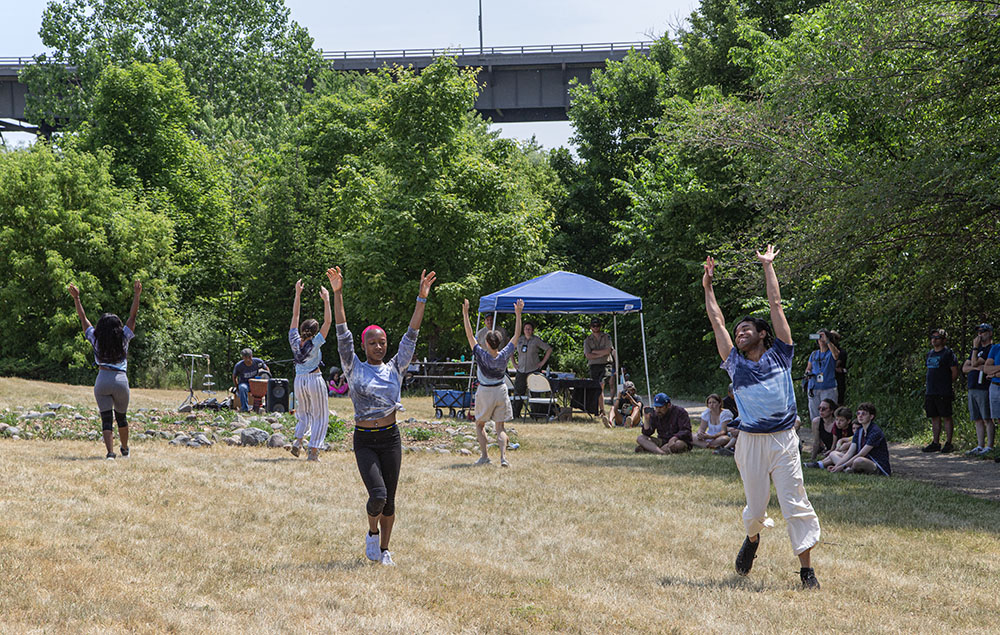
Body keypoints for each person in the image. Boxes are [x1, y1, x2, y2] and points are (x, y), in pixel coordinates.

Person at [703, 246, 821, 590]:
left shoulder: (781, 354)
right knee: (755, 509)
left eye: (746, 329)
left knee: (794, 503)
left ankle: (806, 571)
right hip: (750, 443)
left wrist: (768, 267)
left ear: (762, 334)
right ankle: (752, 539)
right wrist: (708, 287)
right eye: (737, 331)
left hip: (784, 440)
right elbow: (716, 320)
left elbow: (775, 305)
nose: (739, 332)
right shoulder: (734, 363)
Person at [327, 265, 436, 567]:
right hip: (365, 439)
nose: (379, 346)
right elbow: (341, 332)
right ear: (364, 346)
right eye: (373, 342)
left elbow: (412, 335)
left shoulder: (395, 368)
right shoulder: (353, 366)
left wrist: (421, 298)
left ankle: (385, 550)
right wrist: (338, 294)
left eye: (382, 342)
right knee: (377, 495)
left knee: (390, 500)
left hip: (390, 438)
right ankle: (371, 533)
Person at [68, 280, 142, 460]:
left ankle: (110, 453)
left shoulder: (95, 338)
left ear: (100, 327)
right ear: (117, 327)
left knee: (106, 418)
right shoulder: (123, 337)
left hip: (102, 380)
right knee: (122, 418)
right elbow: (132, 317)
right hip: (120, 380)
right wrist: (137, 295)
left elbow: (83, 320)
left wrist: (77, 298)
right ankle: (125, 450)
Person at [462, 297, 523, 467]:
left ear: (487, 343)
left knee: (480, 424)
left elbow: (469, 334)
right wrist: (518, 314)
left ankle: (484, 457)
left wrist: (466, 314)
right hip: (501, 390)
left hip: (485, 391)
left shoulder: (481, 355)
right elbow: (517, 335)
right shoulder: (504, 355)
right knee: (500, 428)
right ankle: (503, 458)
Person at [288, 279, 332, 461]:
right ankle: (313, 451)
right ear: (314, 331)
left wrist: (298, 294)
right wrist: (327, 300)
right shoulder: (316, 342)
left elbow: (295, 316)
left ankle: (298, 441)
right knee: (320, 415)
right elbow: (328, 321)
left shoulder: (293, 338)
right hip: (314, 379)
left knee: (303, 413)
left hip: (299, 380)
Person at [809, 403, 891, 476]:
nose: (860, 416)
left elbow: (861, 454)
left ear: (871, 416)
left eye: (864, 414)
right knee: (834, 454)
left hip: (875, 464)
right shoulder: (860, 430)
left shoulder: (875, 432)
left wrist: (842, 466)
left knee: (858, 460)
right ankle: (848, 470)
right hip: (859, 460)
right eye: (858, 413)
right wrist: (837, 466)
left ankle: (848, 469)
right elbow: (850, 453)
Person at [922, 328, 960, 453]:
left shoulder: (948, 353)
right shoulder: (930, 353)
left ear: (944, 340)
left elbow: (954, 372)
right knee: (934, 417)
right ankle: (935, 442)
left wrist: (947, 384)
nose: (934, 340)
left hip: (944, 391)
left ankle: (949, 443)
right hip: (931, 390)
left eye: (937, 337)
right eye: (932, 337)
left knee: (946, 416)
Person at [963, 324, 993, 456]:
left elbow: (973, 363)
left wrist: (975, 350)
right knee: (977, 418)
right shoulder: (977, 350)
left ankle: (989, 446)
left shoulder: (990, 349)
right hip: (972, 386)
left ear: (990, 333)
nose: (980, 334)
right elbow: (965, 368)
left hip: (983, 387)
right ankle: (980, 445)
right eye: (979, 332)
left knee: (987, 417)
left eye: (983, 331)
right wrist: (976, 366)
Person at [511, 321, 552, 419]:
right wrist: (514, 363)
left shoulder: (536, 340)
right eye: (526, 329)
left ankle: (536, 414)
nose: (527, 330)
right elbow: (510, 349)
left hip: (533, 369)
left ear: (532, 330)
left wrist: (542, 363)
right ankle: (515, 414)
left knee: (535, 392)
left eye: (529, 329)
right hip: (521, 370)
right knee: (518, 392)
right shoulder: (519, 340)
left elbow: (549, 349)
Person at [805, 329, 840, 421]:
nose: (821, 340)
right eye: (819, 337)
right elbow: (808, 368)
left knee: (829, 414)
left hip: (828, 387)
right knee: (815, 416)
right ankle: (817, 433)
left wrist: (827, 340)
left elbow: (836, 355)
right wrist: (808, 373)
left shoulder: (831, 352)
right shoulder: (814, 354)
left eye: (822, 337)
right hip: (814, 387)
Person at [584, 318, 614, 417]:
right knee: (596, 387)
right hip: (594, 366)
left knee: (601, 384)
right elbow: (588, 355)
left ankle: (601, 410)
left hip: (606, 364)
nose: (595, 328)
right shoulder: (587, 340)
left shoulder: (606, 337)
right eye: (593, 326)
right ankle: (598, 410)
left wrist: (595, 352)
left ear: (600, 326)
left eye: (597, 326)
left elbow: (608, 351)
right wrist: (601, 353)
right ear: (590, 327)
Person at [830, 331, 848, 406]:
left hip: (838, 380)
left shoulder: (841, 352)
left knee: (839, 402)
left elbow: (835, 364)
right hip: (828, 381)